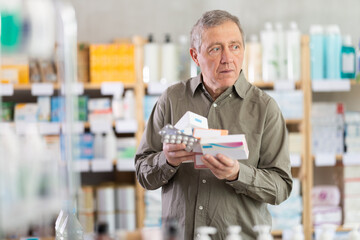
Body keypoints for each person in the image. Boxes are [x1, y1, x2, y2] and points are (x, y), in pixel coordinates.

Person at [135, 10, 292, 240]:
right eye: (216, 49)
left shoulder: (265, 108)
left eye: (235, 46)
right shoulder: (171, 100)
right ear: (195, 56)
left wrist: (238, 174)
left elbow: (281, 188)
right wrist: (167, 160)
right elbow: (142, 172)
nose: (228, 58)